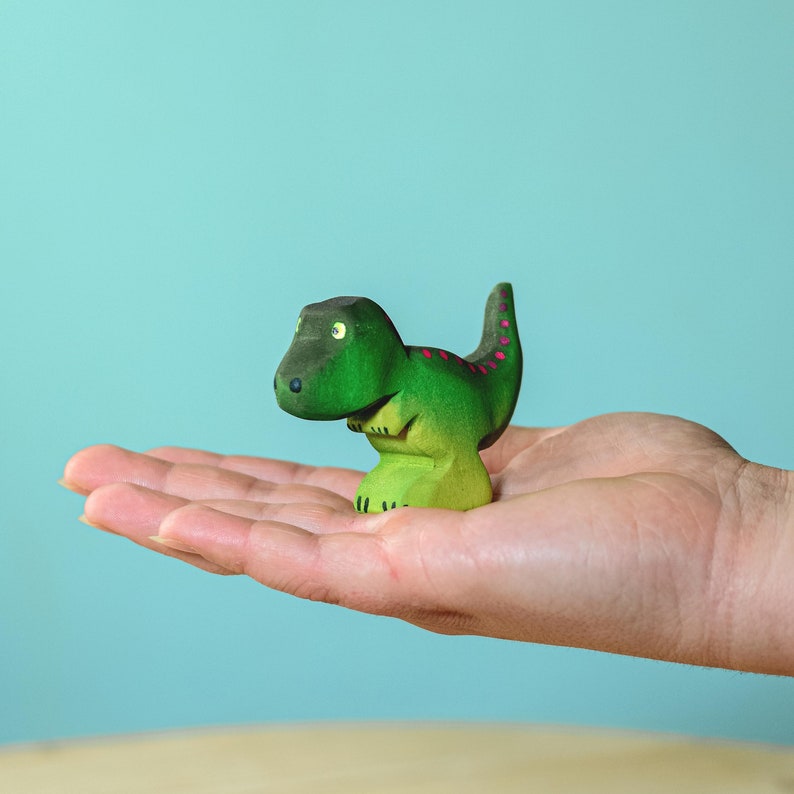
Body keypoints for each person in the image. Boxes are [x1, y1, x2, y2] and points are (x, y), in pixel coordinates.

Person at [61, 412, 793, 676]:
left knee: (430, 455)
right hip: (405, 454)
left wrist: (733, 540)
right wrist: (737, 535)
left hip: (441, 448)